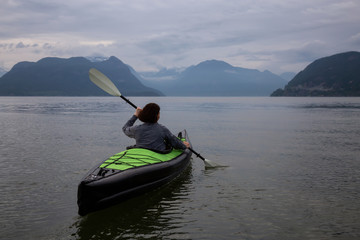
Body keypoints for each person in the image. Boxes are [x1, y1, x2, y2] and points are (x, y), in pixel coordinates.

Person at [122, 103, 190, 152]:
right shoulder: (162, 129)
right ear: (157, 116)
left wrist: (135, 115)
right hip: (158, 156)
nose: (159, 115)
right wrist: (184, 145)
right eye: (159, 113)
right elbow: (174, 142)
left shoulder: (136, 129)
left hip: (142, 154)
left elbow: (125, 128)